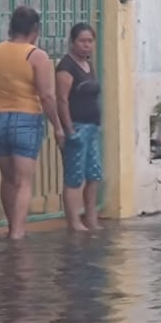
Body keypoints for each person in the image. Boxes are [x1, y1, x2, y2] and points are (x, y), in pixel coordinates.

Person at [0, 6, 62, 240]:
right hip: (25, 118)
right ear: (35, 29)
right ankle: (17, 235)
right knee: (23, 182)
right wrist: (58, 126)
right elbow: (47, 96)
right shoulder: (37, 56)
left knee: (7, 178)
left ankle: (12, 228)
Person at [55, 22, 103, 233]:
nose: (87, 45)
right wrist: (68, 129)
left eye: (90, 41)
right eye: (82, 41)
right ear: (72, 42)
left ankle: (91, 218)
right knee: (74, 177)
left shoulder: (88, 65)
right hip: (76, 126)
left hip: (92, 127)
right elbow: (62, 100)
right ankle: (74, 222)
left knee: (93, 175)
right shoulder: (66, 67)